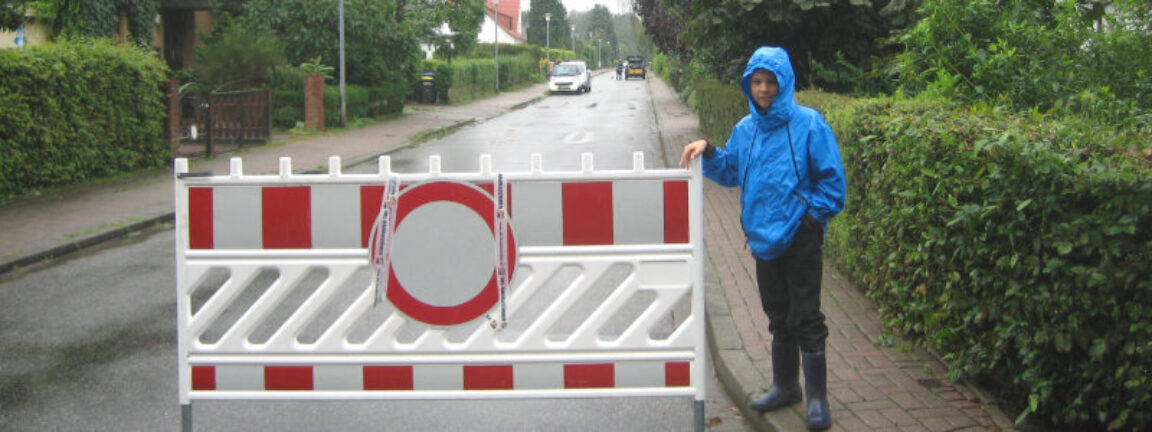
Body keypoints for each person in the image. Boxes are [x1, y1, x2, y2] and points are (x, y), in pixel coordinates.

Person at [679, 46, 845, 430]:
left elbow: (832, 185)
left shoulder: (809, 124)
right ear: (748, 85)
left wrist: (809, 219)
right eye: (757, 82)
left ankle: (817, 399)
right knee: (778, 317)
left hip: (800, 238)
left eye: (771, 81)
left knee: (806, 317)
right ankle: (785, 387)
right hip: (763, 239)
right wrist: (709, 150)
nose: (764, 89)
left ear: (784, 83)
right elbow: (731, 170)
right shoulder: (745, 129)